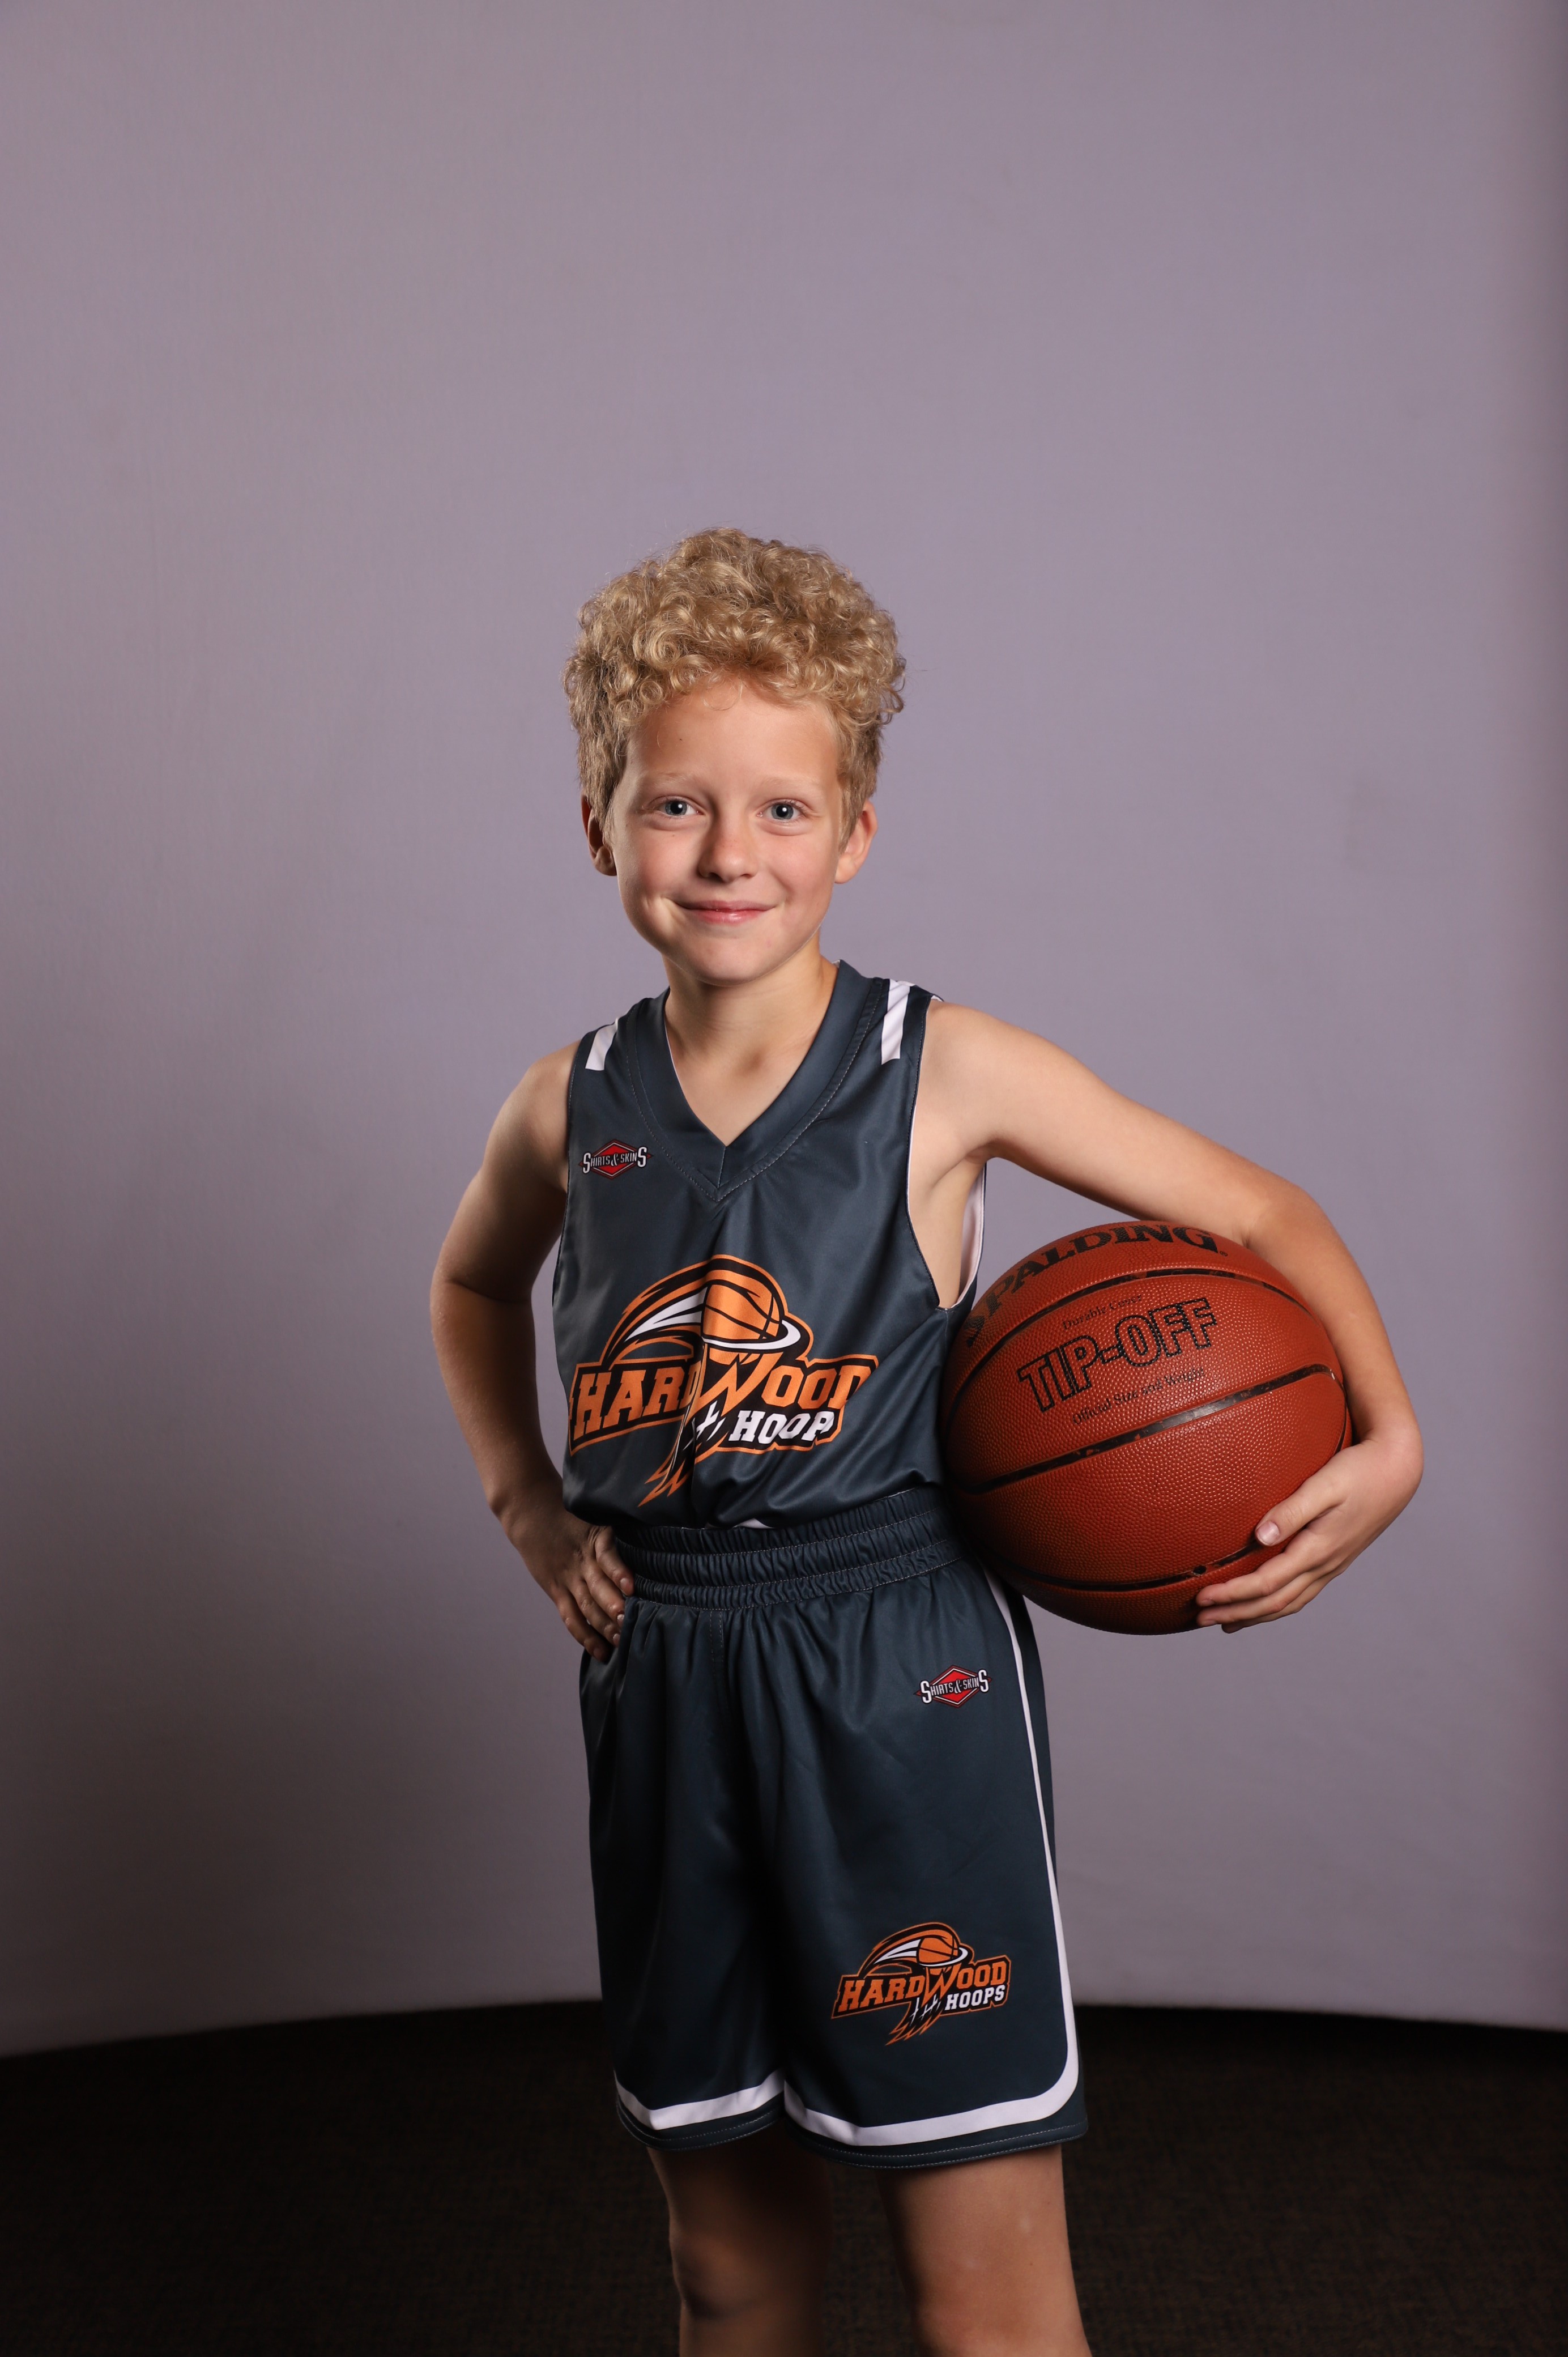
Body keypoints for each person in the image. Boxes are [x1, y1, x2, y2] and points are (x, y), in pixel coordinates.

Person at [431, 529, 1422, 2356]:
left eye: (784, 809)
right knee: (729, 2269)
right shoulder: (566, 1103)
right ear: (598, 826)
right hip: (666, 1671)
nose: (729, 853)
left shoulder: (938, 1068)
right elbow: (472, 1287)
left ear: (858, 833)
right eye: (675, 806)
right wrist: (527, 1504)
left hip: (897, 1671)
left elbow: (1262, 1215)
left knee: (985, 2299)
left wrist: (1395, 1435)